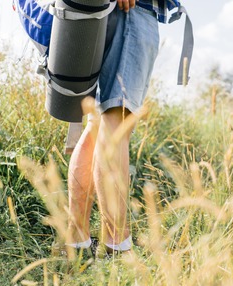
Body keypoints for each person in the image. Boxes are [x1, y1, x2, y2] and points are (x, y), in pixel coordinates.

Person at [64, 0, 180, 257]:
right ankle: (117, 246)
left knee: (99, 123)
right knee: (117, 119)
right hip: (132, 12)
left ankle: (76, 241)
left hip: (108, 14)